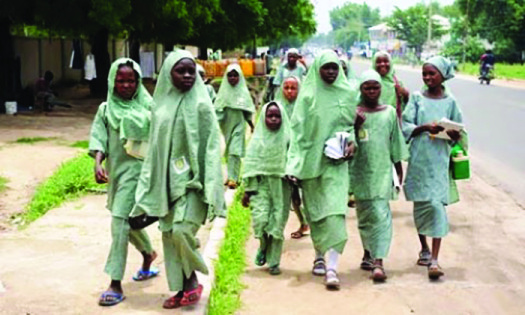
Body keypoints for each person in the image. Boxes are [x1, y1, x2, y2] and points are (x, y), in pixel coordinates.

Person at [132, 50, 224, 309]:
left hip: (194, 184)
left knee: (183, 231)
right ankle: (182, 288)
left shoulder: (202, 105)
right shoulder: (160, 106)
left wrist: (212, 186)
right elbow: (154, 152)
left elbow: (212, 149)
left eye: (190, 71)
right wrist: (148, 190)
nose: (186, 75)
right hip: (167, 184)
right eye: (179, 71)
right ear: (167, 74)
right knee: (171, 236)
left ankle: (193, 279)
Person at [286, 50, 357, 290]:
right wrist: (294, 164)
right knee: (316, 213)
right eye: (326, 68)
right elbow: (296, 133)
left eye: (334, 68)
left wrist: (351, 143)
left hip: (336, 165)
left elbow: (351, 126)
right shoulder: (307, 96)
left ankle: (333, 268)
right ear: (317, 69)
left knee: (335, 213)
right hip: (311, 163)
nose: (330, 72)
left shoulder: (348, 94)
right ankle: (319, 255)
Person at [89, 58, 157, 307]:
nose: (126, 85)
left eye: (131, 80)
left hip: (143, 175)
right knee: (129, 222)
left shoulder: (151, 107)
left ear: (138, 81)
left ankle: (115, 283)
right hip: (119, 175)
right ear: (112, 81)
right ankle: (149, 254)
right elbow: (100, 138)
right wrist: (98, 163)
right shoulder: (106, 110)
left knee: (119, 224)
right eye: (121, 80)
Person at [402, 56, 467, 280]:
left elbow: (460, 131)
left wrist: (453, 135)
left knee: (437, 205)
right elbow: (405, 125)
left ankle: (435, 260)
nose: (428, 77)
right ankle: (424, 248)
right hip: (420, 159)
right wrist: (423, 127)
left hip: (439, 160)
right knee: (422, 204)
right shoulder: (417, 99)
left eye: (432, 74)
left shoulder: (450, 102)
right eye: (425, 74)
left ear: (443, 76)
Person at [351, 70, 408, 282]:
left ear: (381, 89)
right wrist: (355, 125)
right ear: (361, 89)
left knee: (381, 215)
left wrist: (399, 170)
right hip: (360, 173)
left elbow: (395, 143)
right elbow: (346, 139)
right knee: (364, 216)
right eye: (367, 87)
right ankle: (368, 252)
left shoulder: (389, 113)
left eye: (375, 87)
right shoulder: (354, 112)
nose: (372, 91)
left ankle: (379, 262)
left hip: (382, 172)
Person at [242, 101, 292, 276]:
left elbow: (294, 161)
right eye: (269, 116)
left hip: (281, 186)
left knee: (277, 224)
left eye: (277, 116)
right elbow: (251, 165)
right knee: (261, 220)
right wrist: (247, 192)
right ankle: (263, 246)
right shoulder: (257, 140)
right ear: (263, 118)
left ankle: (274, 261)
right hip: (261, 185)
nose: (273, 119)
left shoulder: (288, 137)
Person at [275, 76, 309, 238]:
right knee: (291, 195)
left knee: (304, 193)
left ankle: (310, 223)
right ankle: (303, 223)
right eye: (286, 87)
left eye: (293, 88)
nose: (289, 91)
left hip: (301, 156)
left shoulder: (305, 107)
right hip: (282, 156)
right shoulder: (277, 107)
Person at [214, 64, 255, 189]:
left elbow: (247, 111)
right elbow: (218, 111)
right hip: (226, 126)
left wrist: (251, 125)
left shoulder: (243, 92)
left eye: (235, 76)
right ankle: (231, 175)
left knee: (234, 150)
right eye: (230, 76)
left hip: (239, 125)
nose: (232, 78)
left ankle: (234, 178)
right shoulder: (223, 93)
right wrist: (215, 124)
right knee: (229, 151)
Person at [372, 51, 409, 121]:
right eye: (378, 62)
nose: (382, 64)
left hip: (392, 121)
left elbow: (404, 106)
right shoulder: (369, 81)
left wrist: (405, 95)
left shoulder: (397, 82)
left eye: (386, 61)